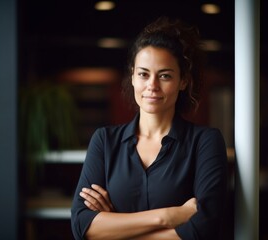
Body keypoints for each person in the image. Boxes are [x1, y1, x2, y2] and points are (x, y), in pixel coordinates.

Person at [71, 16, 228, 240]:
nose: (152, 86)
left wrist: (115, 228)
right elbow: (81, 225)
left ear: (183, 81)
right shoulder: (105, 141)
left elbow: (203, 229)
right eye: (144, 74)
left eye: (164, 76)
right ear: (133, 77)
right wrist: (167, 217)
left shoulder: (205, 142)